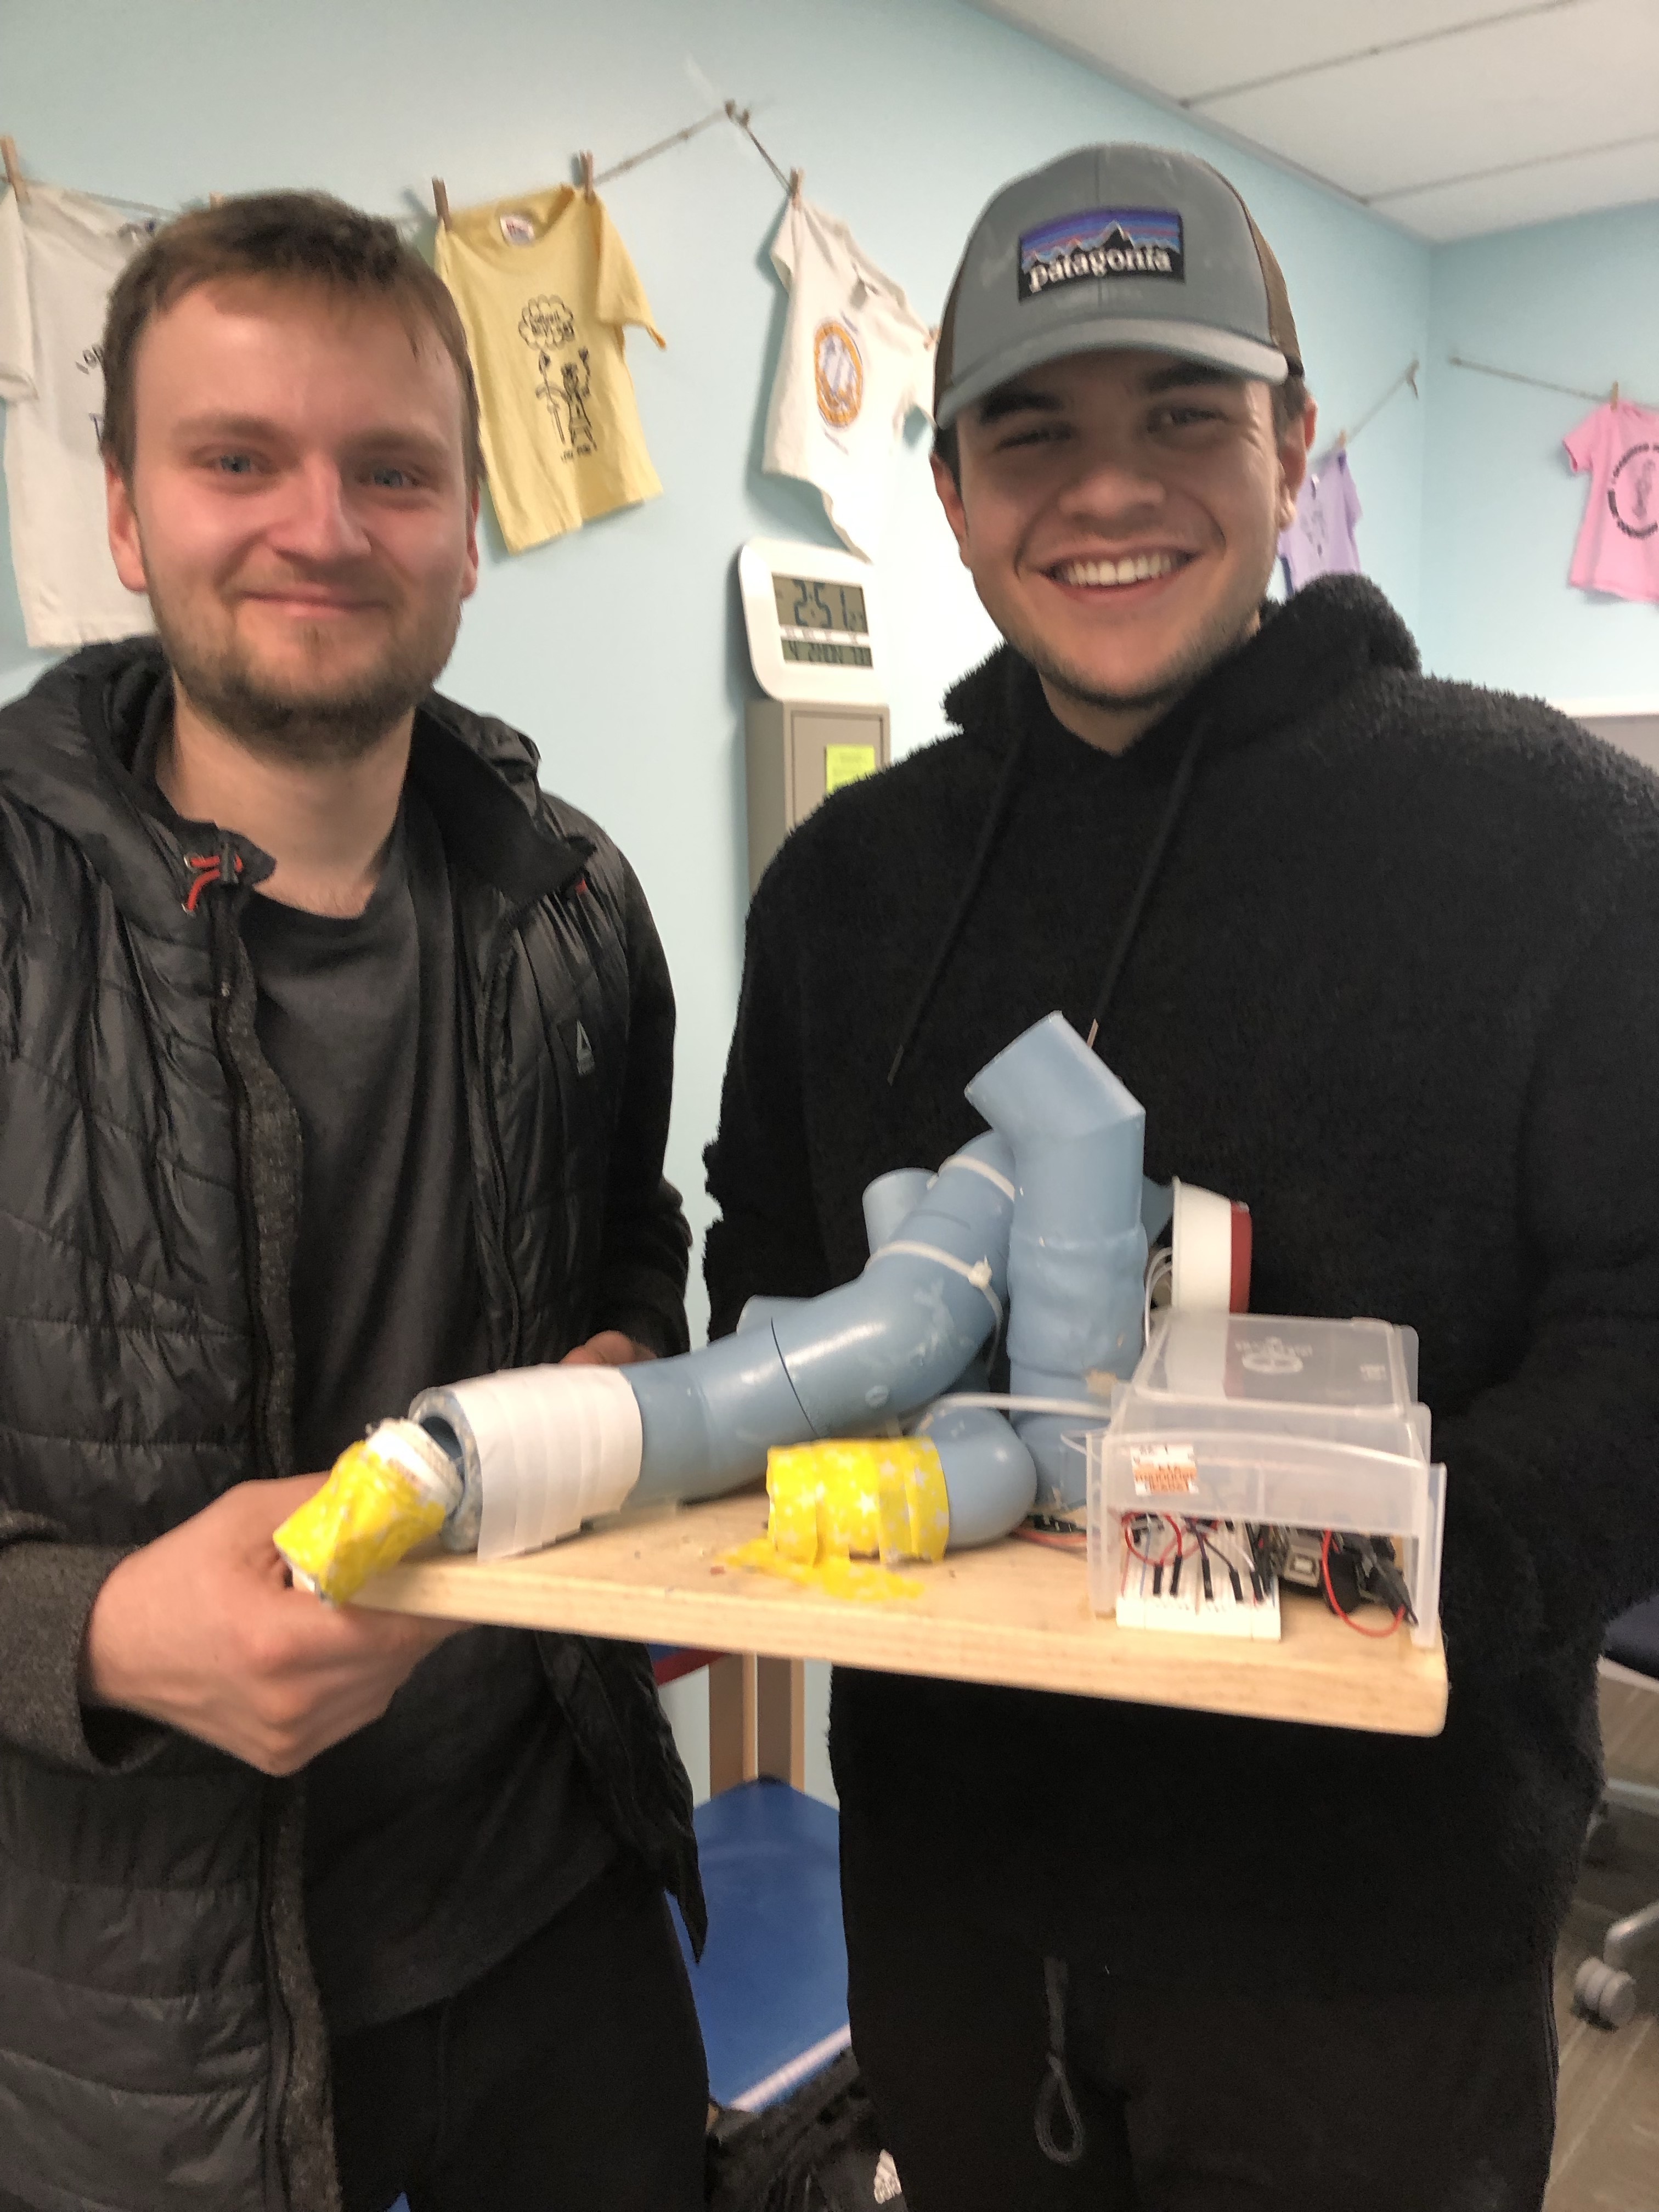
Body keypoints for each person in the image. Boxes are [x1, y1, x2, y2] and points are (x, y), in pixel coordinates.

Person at [704, 143, 1659, 2211]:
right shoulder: (851, 889)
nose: (1108, 490)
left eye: (1184, 417)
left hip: (1368, 1936)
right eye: (1033, 430)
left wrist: (1377, 1575)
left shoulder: (1557, 845)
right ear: (949, 485)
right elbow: (760, 1261)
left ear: (1296, 446)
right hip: (954, 1900)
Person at [0, 193, 708, 2212]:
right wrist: (101, 1632)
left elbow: (628, 1241)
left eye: (390, 469)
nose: (321, 525)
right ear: (127, 518)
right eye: (239, 459)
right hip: (128, 2040)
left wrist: (621, 1362)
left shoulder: (576, 903)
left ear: (470, 531)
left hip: (559, 1919)